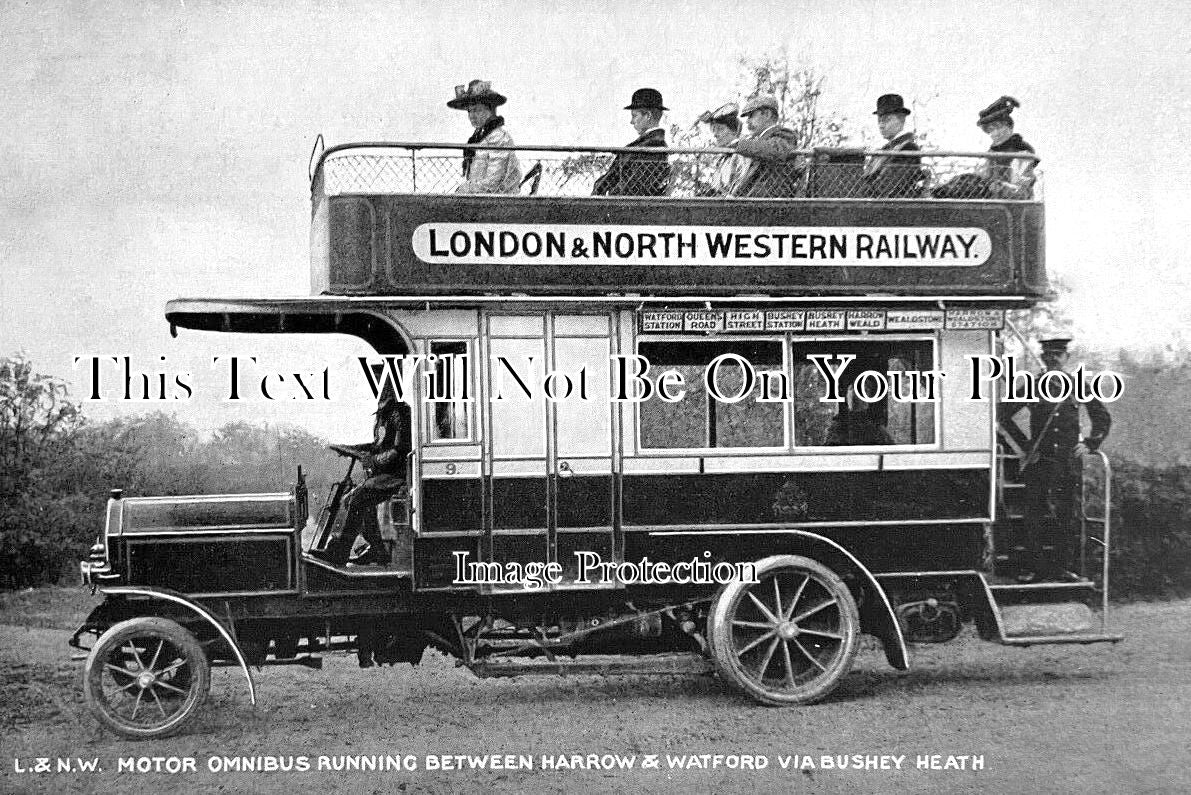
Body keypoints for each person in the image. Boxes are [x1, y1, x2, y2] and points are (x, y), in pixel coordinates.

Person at [998, 338, 1111, 582]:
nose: (1053, 359)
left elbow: (1102, 417)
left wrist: (1090, 443)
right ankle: (1034, 569)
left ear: (1066, 358)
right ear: (1043, 358)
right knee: (1034, 515)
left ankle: (1062, 568)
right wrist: (1026, 446)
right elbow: (1003, 414)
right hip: (1040, 461)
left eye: (1058, 355)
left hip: (1068, 462)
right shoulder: (1033, 385)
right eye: (1048, 355)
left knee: (1066, 514)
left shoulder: (1078, 385)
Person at [315, 389, 410, 566]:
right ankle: (378, 550)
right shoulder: (383, 414)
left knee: (358, 499)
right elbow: (377, 446)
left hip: (397, 475)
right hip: (385, 474)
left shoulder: (400, 414)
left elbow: (399, 450)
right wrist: (351, 449)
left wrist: (373, 460)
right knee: (353, 499)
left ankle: (341, 552)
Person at [593, 88, 672, 196]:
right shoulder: (646, 144)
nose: (631, 121)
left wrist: (607, 196)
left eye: (634, 116)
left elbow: (635, 186)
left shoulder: (654, 146)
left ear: (648, 116)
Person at [448, 80, 521, 194]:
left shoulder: (499, 138)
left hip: (499, 199)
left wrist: (466, 189)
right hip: (480, 197)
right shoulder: (479, 138)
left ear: (490, 111)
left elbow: (494, 181)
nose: (471, 116)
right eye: (469, 111)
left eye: (476, 110)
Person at [730, 94, 802, 197]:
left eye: (751, 115)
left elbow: (775, 150)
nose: (747, 121)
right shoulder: (755, 142)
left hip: (772, 200)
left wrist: (740, 144)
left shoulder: (785, 134)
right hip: (753, 200)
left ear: (767, 114)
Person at [976, 95, 1037, 199]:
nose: (995, 133)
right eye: (990, 130)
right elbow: (982, 177)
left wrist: (1001, 186)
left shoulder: (1021, 151)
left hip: (1013, 204)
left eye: (998, 127)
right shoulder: (991, 153)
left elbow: (1020, 190)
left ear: (1009, 127)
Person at [863, 93, 922, 198]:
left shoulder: (908, 148)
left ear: (902, 120)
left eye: (887, 120)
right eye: (879, 120)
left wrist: (864, 191)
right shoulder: (885, 149)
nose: (881, 125)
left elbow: (887, 186)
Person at [696, 102, 747, 196]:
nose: (715, 134)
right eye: (713, 130)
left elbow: (739, 186)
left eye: (720, 129)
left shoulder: (741, 155)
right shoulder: (724, 157)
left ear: (734, 131)